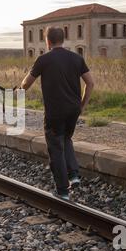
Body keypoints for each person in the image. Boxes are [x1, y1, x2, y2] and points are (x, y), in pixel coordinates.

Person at [19, 27, 94, 200]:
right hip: (74, 109)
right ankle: (73, 174)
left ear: (48, 41)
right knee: (66, 138)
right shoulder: (77, 58)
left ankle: (62, 191)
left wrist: (21, 88)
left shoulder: (43, 59)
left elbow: (26, 84)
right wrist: (82, 105)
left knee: (55, 146)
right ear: (63, 39)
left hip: (55, 111)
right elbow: (90, 83)